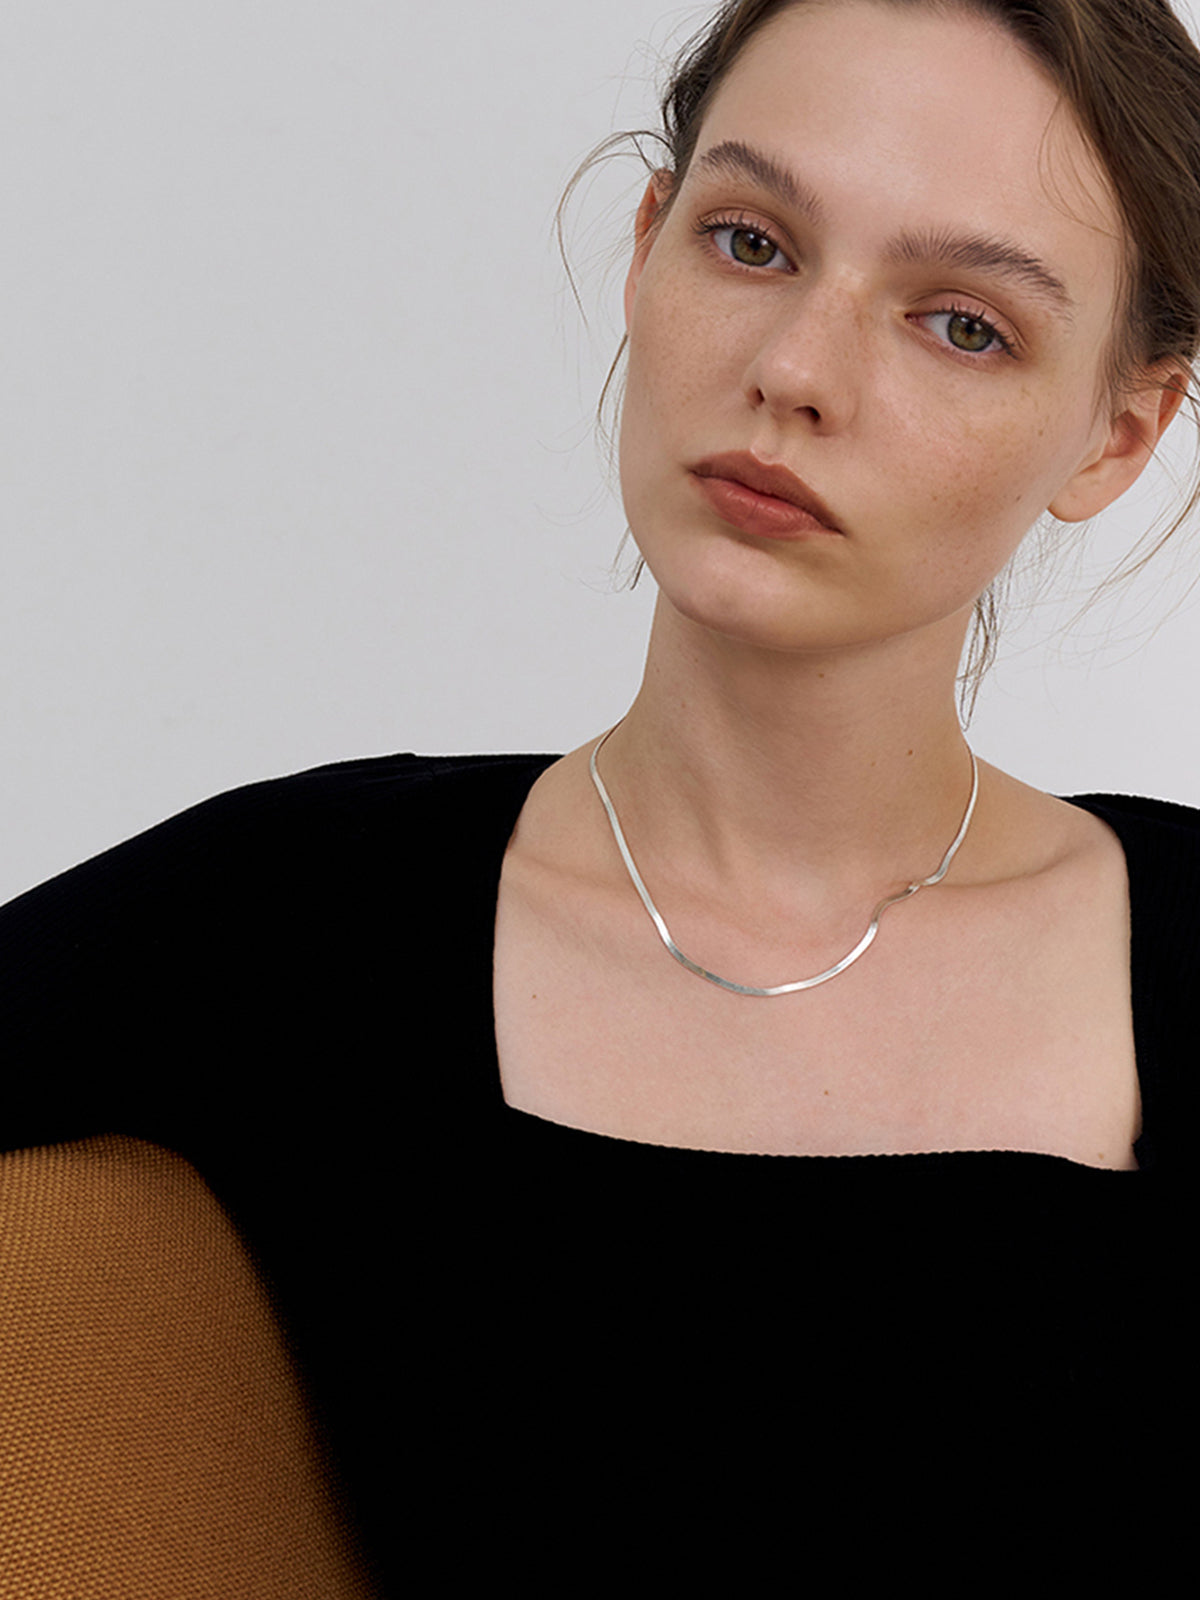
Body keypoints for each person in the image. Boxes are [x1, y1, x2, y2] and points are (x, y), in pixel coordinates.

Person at [2, 0, 1199, 1590]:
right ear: (646, 250)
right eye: (752, 243)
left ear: (1118, 434)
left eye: (962, 324)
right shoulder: (305, 925)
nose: (795, 372)